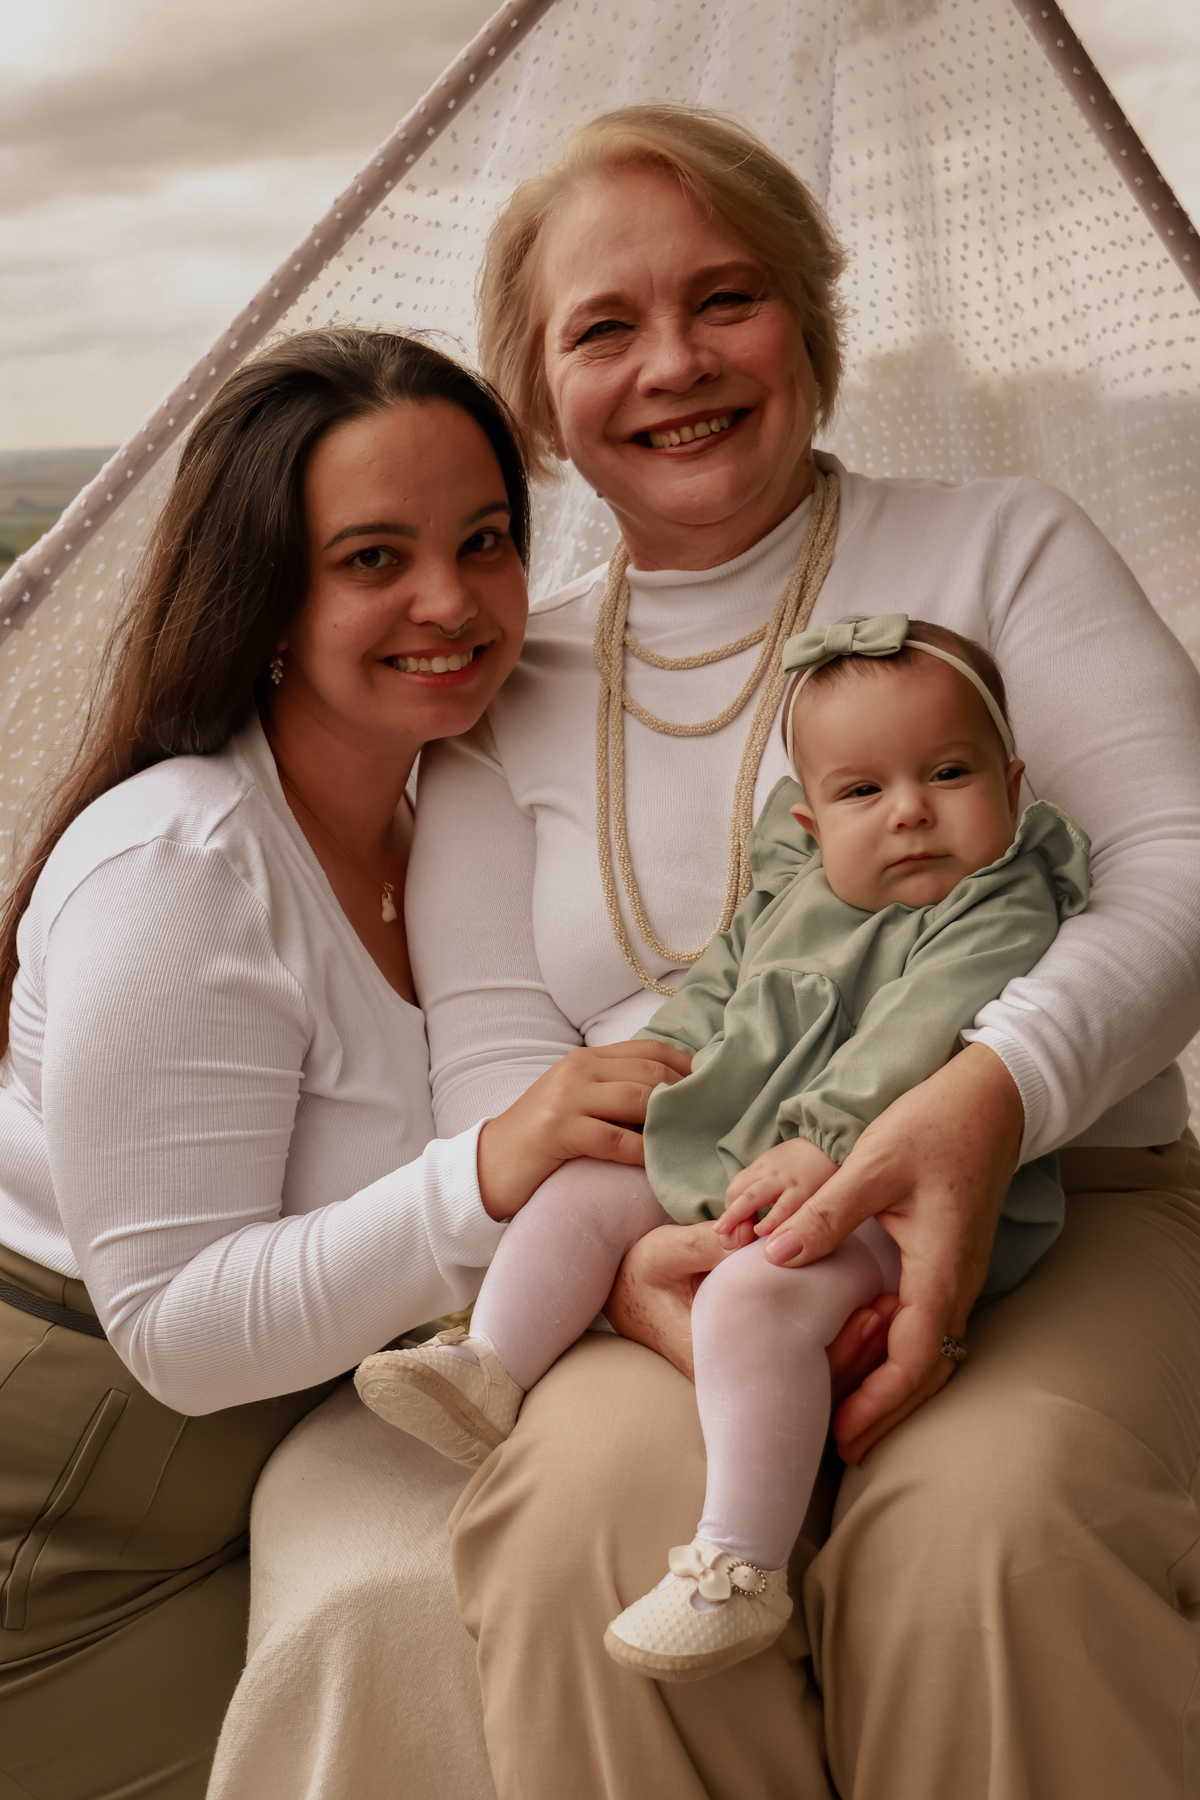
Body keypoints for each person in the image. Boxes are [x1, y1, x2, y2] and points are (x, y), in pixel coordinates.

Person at [397, 105, 1200, 1799]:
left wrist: (990, 1096)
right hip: (679, 1226)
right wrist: (636, 1270)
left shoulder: (1006, 544)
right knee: (585, 1536)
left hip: (1058, 1191)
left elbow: (1178, 872)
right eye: (604, 329)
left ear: (812, 324)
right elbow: (497, 1070)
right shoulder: (499, 695)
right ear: (537, 395)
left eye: (727, 298)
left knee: (992, 1533)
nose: (674, 363)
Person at [0, 325, 689, 1800]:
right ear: (263, 597)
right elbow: (177, 1332)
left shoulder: (447, 810)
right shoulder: (181, 867)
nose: (452, 600)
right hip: (64, 1479)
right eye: (374, 558)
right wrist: (491, 1170)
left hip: (258, 1452)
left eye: (485, 541)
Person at [358, 610, 1091, 1684]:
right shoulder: (796, 883)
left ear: (1013, 786)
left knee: (755, 1293)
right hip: (749, 1142)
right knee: (586, 1186)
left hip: (898, 1194)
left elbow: (918, 1028)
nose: (910, 812)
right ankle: (491, 1363)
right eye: (863, 791)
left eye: (948, 773)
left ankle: (741, 1565)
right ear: (810, 818)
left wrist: (827, 1143)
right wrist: (665, 1054)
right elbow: (720, 979)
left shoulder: (998, 896)